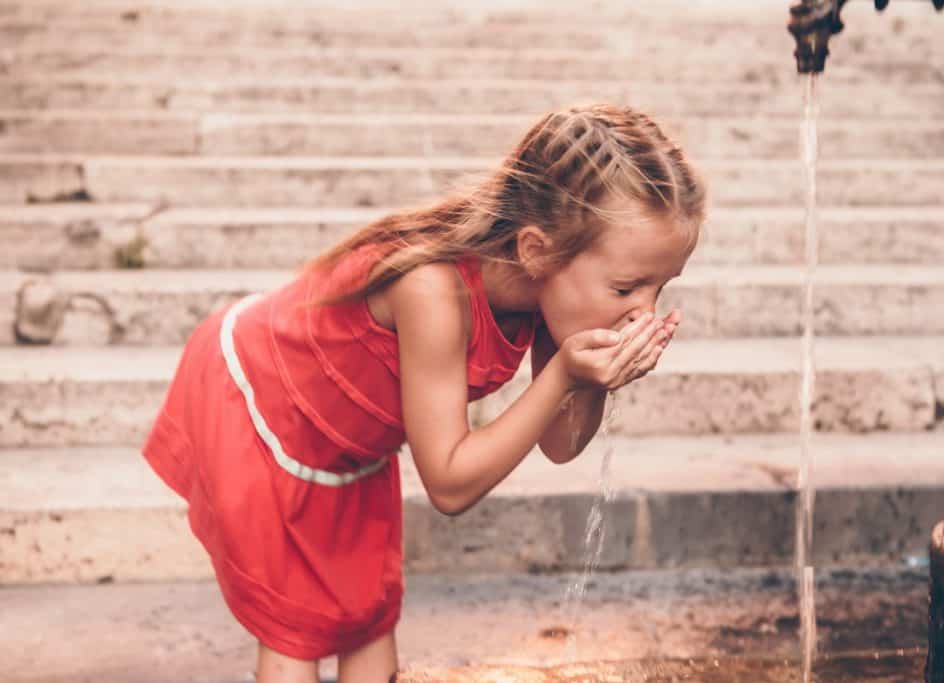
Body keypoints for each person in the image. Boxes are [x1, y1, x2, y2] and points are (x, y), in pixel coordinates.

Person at [141, 103, 706, 683]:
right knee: (297, 627)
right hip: (260, 403)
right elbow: (449, 483)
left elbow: (561, 443)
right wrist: (563, 375)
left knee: (367, 617)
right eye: (626, 288)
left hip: (352, 444)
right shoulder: (432, 289)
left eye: (660, 288)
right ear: (537, 250)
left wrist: (589, 380)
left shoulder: (551, 292)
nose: (645, 311)